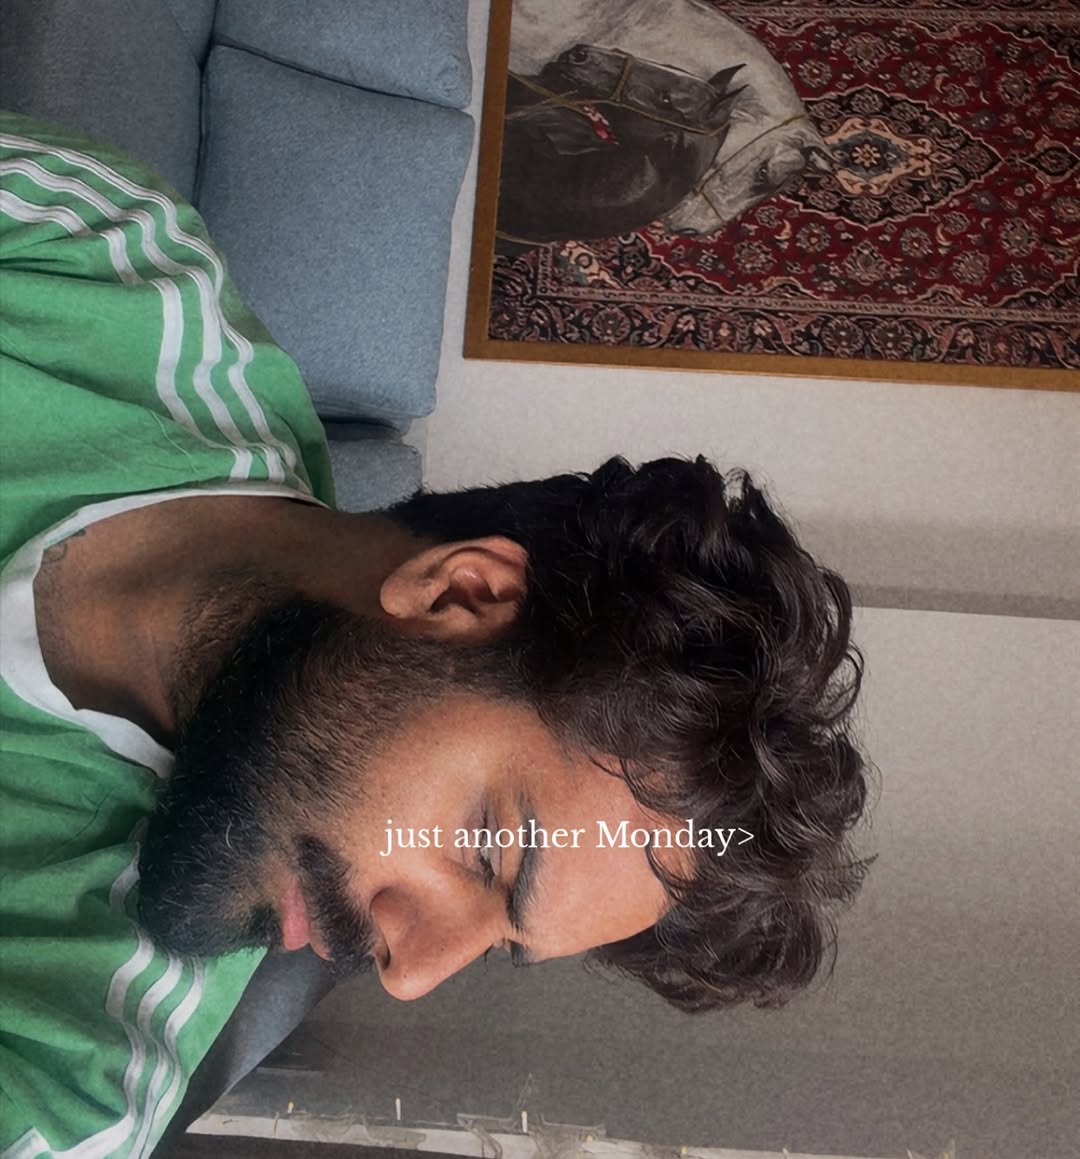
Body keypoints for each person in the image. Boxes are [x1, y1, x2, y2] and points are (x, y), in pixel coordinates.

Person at [0, 111, 871, 1157]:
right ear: (459, 594)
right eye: (489, 849)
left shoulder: (79, 1058)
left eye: (496, 945)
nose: (408, 973)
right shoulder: (88, 267)